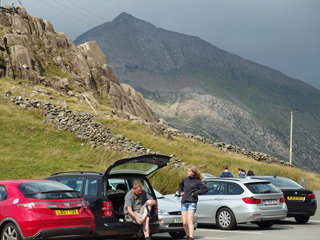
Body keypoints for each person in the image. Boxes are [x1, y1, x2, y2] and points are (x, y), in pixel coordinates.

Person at [178, 165, 208, 240]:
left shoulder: (197, 181)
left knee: (189, 221)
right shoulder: (185, 180)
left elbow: (205, 189)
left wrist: (194, 193)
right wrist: (180, 192)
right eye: (187, 171)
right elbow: (180, 186)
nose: (187, 172)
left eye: (189, 171)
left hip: (192, 202)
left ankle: (191, 237)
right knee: (184, 223)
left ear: (193, 173)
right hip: (184, 202)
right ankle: (188, 235)